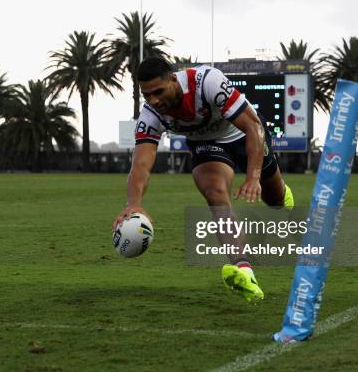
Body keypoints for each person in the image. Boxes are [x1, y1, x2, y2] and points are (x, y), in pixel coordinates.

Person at [113, 57, 294, 303]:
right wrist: (133, 204)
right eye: (147, 95)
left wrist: (253, 177)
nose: (154, 100)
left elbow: (253, 127)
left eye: (158, 92)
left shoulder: (207, 82)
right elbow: (141, 162)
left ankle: (282, 193)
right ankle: (244, 271)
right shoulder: (150, 114)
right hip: (206, 144)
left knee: (276, 201)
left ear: (173, 79)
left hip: (244, 133)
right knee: (215, 194)